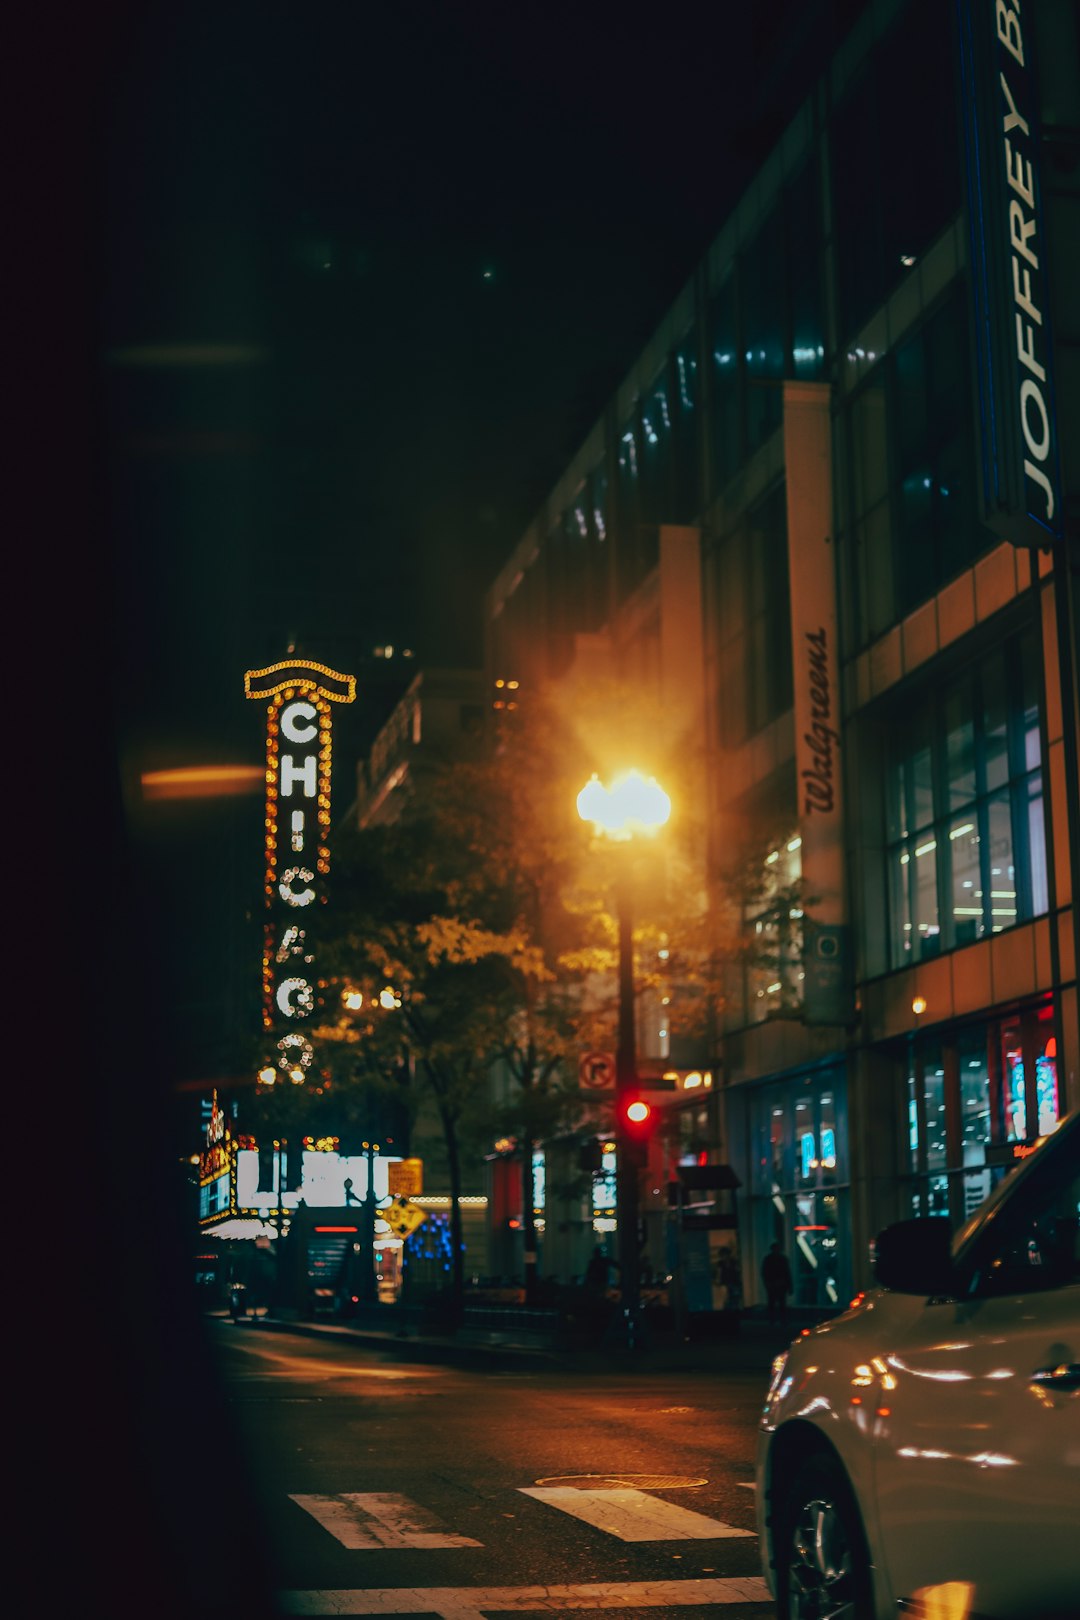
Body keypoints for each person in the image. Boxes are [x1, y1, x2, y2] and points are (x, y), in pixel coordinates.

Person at [761, 1241, 793, 1324]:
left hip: (777, 1283)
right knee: (777, 1303)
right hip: (776, 1283)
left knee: (777, 1303)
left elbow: (787, 1273)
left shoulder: (772, 1259)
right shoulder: (780, 1259)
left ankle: (776, 1319)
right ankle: (777, 1319)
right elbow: (787, 1273)